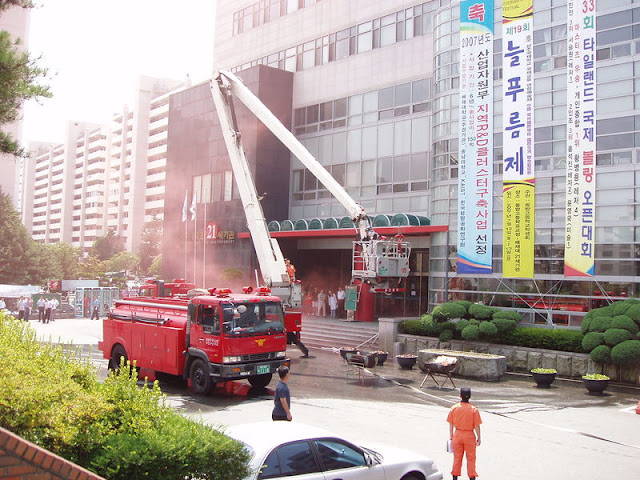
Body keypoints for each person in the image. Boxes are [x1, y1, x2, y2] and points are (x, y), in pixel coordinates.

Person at [447, 387, 482, 480]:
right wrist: (479, 437)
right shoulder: (474, 409)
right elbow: (477, 426)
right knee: (471, 459)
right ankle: (472, 477)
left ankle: (455, 477)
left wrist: (451, 436)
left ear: (460, 395)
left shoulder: (454, 408)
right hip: (469, 436)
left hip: (457, 434)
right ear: (470, 396)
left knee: (457, 458)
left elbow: (451, 424)